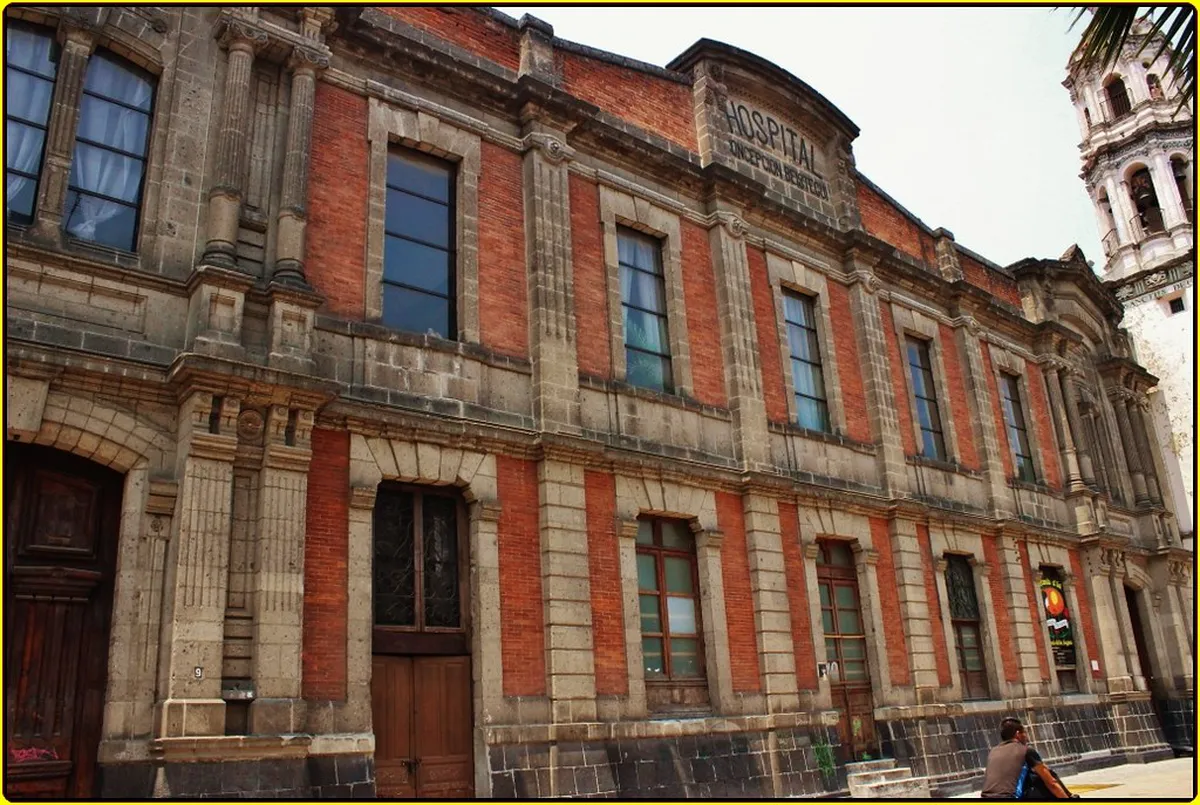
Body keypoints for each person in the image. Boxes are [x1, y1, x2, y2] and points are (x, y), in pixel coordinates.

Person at [980, 717, 1078, 799]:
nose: (1026, 737)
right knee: (1044, 776)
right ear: (1018, 734)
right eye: (1025, 733)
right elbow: (1051, 783)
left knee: (1031, 775)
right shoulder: (1026, 750)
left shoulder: (993, 752)